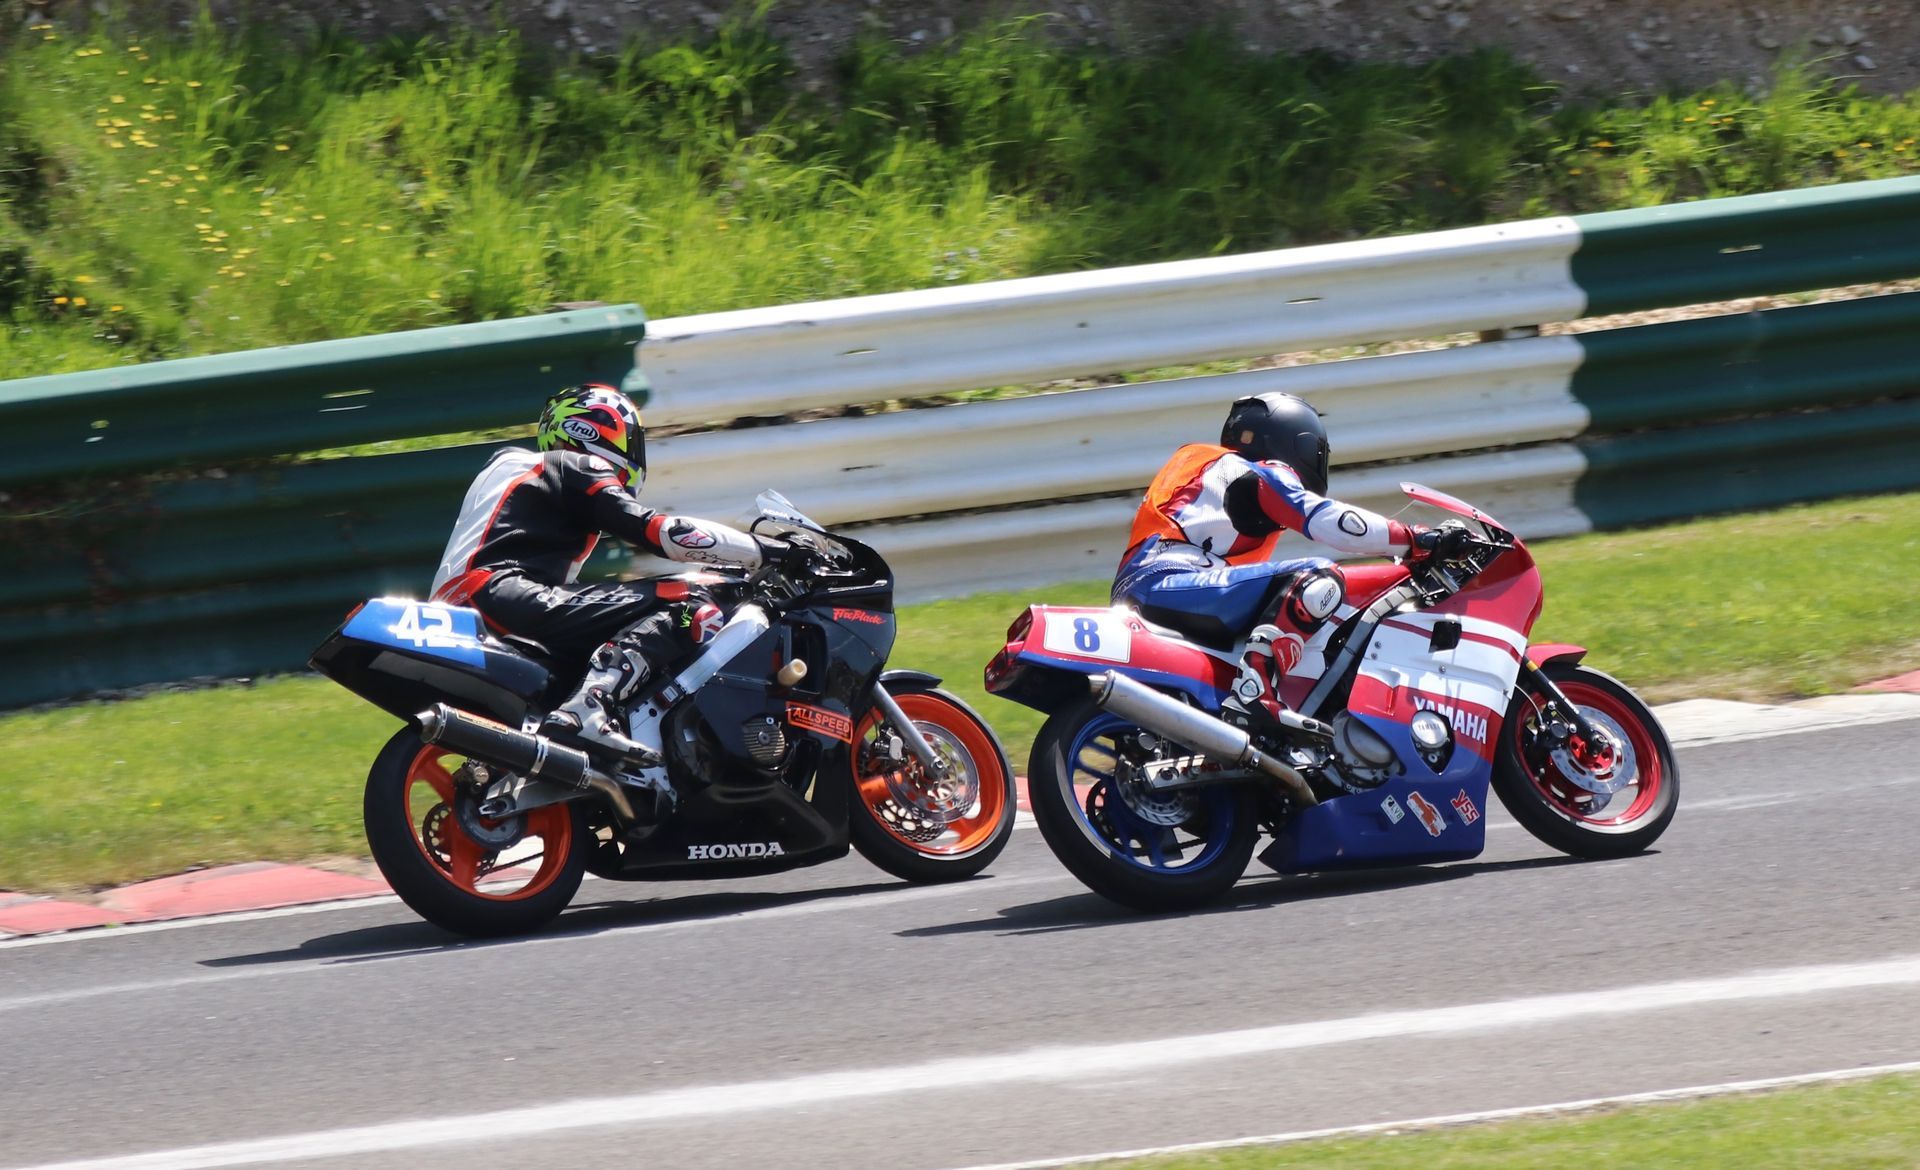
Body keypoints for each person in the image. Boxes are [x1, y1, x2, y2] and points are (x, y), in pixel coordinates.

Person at [429, 383, 781, 759]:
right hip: (502, 592)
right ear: (593, 429)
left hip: (467, 601)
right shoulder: (574, 464)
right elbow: (664, 533)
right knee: (689, 601)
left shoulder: (517, 471)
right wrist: (763, 551)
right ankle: (589, 708)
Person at [1114, 391, 1448, 721]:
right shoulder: (1260, 472)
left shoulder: (1208, 468)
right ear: (1296, 443)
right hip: (1172, 582)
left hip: (1160, 584)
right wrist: (1415, 538)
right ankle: (1254, 692)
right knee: (1318, 578)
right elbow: (1328, 521)